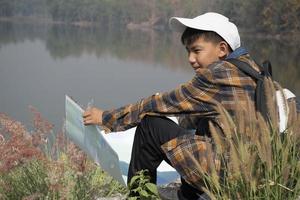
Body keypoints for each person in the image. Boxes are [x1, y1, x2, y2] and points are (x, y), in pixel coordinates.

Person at [83, 12, 259, 199]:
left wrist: (106, 118)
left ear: (222, 49)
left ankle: (139, 195)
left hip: (225, 175)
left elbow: (158, 104)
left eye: (197, 50)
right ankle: (188, 194)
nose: (190, 58)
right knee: (202, 126)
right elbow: (198, 115)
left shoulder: (217, 74)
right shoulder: (251, 69)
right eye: (188, 51)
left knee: (151, 125)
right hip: (247, 172)